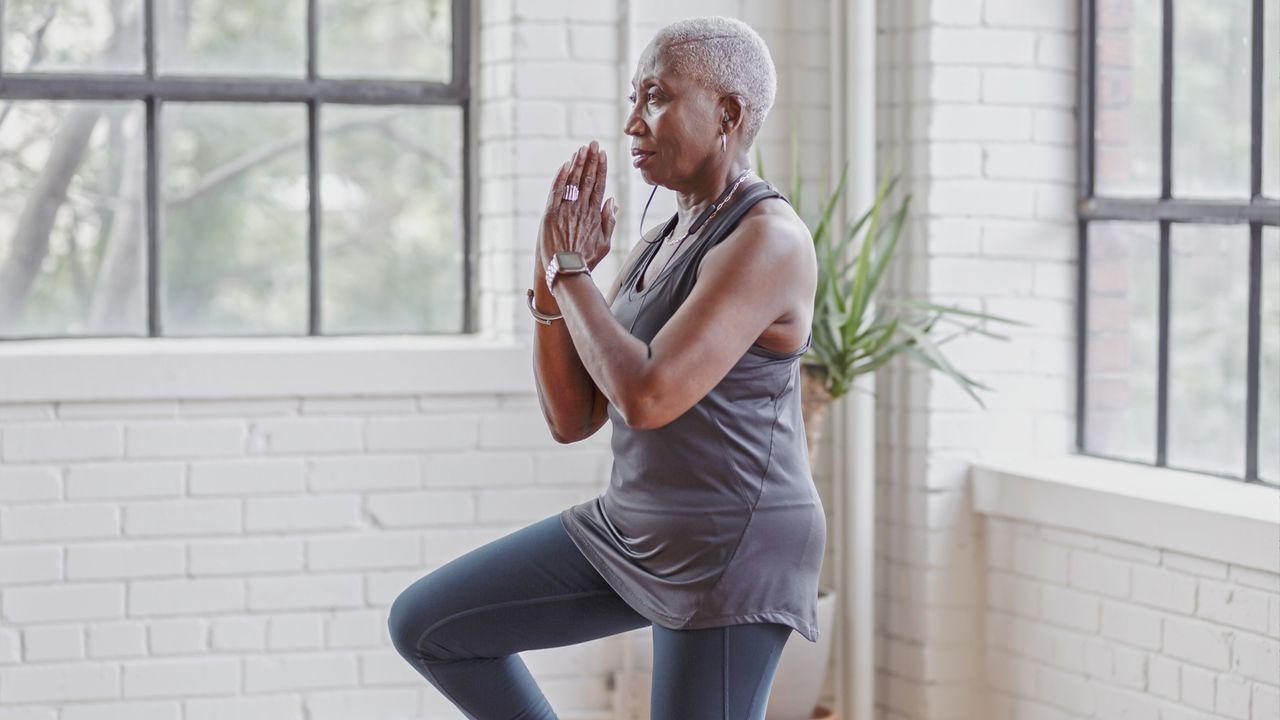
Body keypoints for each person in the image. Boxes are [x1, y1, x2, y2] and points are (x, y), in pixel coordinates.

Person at [389, 16, 824, 719]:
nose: (632, 123)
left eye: (655, 97)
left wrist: (570, 272)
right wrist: (550, 268)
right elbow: (575, 417)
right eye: (633, 98)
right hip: (634, 526)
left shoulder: (767, 239)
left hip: (727, 546)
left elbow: (648, 395)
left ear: (729, 114)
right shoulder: (659, 240)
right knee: (431, 626)